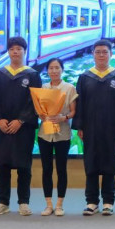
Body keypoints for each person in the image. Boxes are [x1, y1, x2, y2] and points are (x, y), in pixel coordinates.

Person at [0, 37, 42, 217]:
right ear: (8, 52)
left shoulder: (32, 75)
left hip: (23, 127)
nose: (15, 52)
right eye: (12, 49)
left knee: (24, 165)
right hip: (2, 126)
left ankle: (24, 202)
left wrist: (21, 120)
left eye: (19, 48)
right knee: (3, 165)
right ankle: (3, 202)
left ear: (25, 51)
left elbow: (35, 101)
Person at [73, 40, 115, 217]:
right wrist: (80, 126)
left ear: (111, 54)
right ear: (93, 54)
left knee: (110, 164)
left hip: (111, 127)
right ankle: (91, 202)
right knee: (91, 163)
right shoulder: (85, 77)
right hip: (90, 127)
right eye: (98, 52)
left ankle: (108, 202)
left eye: (105, 52)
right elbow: (80, 104)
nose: (101, 55)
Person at [39, 58, 78, 217]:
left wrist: (64, 117)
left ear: (62, 69)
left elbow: (73, 111)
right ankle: (48, 204)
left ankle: (59, 204)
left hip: (63, 134)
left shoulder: (69, 88)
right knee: (46, 169)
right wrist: (42, 115)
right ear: (47, 70)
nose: (54, 71)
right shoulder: (43, 88)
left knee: (61, 169)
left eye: (57, 68)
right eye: (51, 68)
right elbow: (39, 110)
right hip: (45, 134)